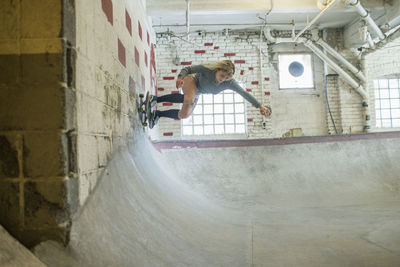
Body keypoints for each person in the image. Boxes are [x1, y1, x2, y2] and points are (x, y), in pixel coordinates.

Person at [148, 60, 271, 128]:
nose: (223, 79)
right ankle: (155, 99)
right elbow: (188, 69)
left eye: (226, 77)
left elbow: (244, 93)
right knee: (189, 99)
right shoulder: (208, 69)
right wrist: (180, 77)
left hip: (198, 93)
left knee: (184, 115)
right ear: (218, 70)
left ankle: (158, 114)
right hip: (192, 81)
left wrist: (260, 106)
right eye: (222, 75)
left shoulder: (230, 83)